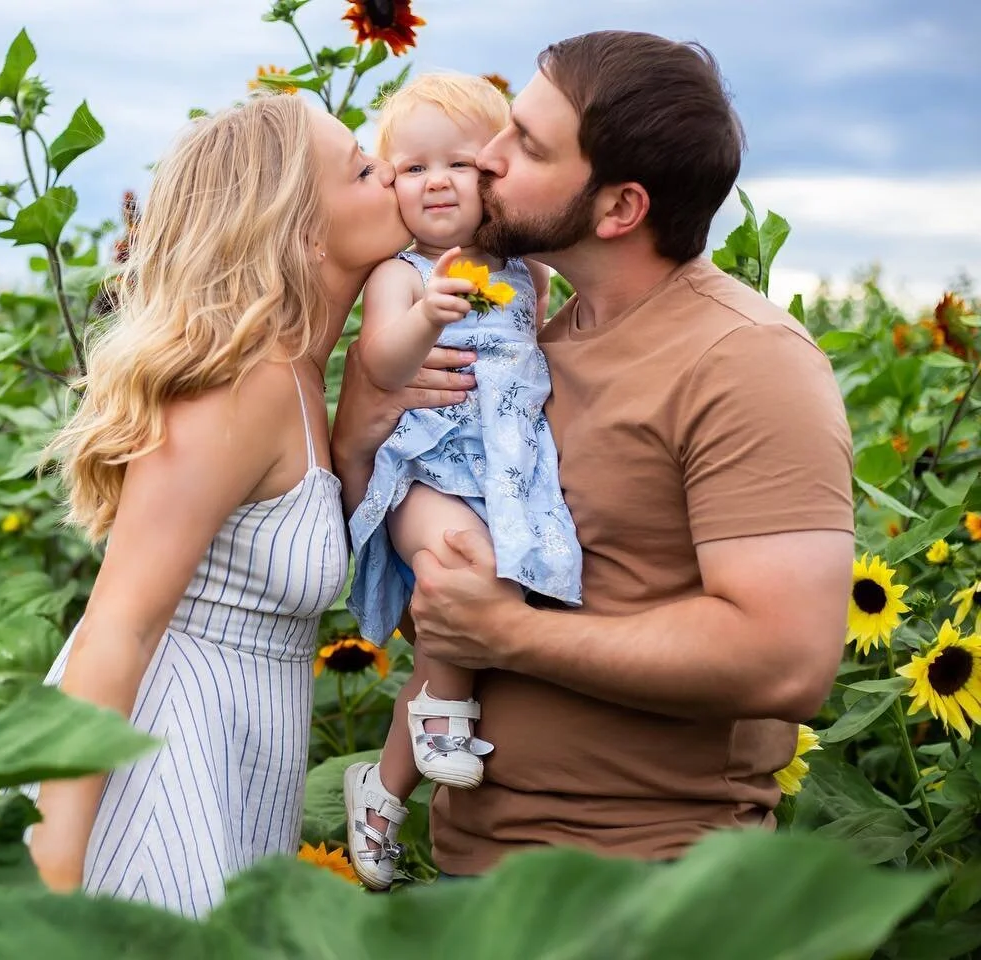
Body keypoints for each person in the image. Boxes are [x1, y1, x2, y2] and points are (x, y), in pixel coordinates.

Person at [330, 31, 854, 878]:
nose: (486, 160)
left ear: (619, 209)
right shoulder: (533, 345)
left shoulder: (746, 359)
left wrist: (511, 634)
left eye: (527, 145)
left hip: (641, 887)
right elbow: (433, 603)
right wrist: (358, 434)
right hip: (483, 875)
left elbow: (785, 659)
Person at [28, 94, 445, 918]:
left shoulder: (296, 374)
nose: (391, 171)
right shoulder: (242, 385)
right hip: (160, 764)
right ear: (301, 230)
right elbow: (122, 624)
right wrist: (53, 878)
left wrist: (357, 433)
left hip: (238, 758)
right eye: (363, 169)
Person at [339, 73, 582, 892]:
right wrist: (427, 314)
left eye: (460, 164)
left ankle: (382, 792)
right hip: (424, 466)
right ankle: (445, 725)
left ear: (495, 179)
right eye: (411, 168)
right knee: (458, 561)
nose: (436, 180)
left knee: (471, 613)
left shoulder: (524, 273)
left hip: (507, 475)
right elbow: (380, 364)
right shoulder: (403, 275)